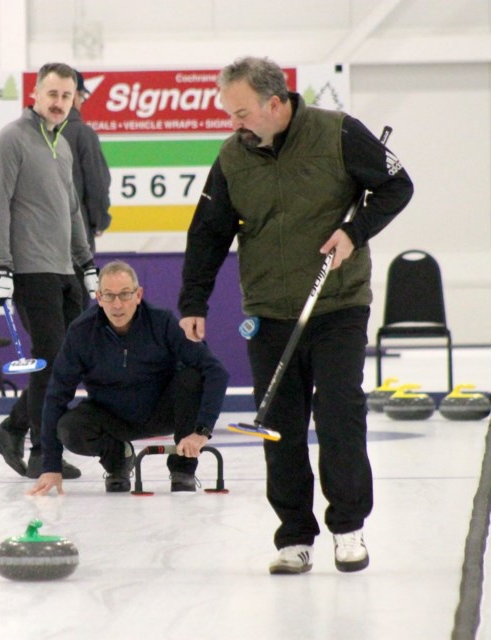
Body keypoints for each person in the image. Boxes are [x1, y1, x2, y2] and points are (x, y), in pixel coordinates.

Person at [178, 56, 413, 575]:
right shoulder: (233, 156)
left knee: (338, 415)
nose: (233, 124)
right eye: (229, 114)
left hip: (337, 303)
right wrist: (194, 300)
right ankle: (293, 537)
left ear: (276, 104)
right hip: (268, 310)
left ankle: (348, 527)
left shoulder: (339, 133)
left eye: (241, 113)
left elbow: (399, 185)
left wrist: (356, 232)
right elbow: (209, 231)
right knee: (278, 426)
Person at [0, 62, 97, 480]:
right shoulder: (13, 139)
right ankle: (46, 454)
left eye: (67, 95)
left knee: (67, 363)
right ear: (36, 95)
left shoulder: (62, 145)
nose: (59, 102)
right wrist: (3, 266)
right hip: (31, 271)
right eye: (53, 94)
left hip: (65, 270)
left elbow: (72, 210)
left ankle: (12, 429)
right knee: (49, 361)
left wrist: (87, 263)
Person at [26, 261, 229, 496]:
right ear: (99, 297)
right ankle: (118, 461)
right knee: (70, 428)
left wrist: (201, 431)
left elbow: (216, 371)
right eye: (110, 296)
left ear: (138, 294)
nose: (118, 304)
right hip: (112, 418)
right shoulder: (81, 332)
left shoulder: (162, 322)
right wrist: (51, 467)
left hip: (163, 411)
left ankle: (183, 469)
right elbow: (56, 396)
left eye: (125, 294)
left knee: (192, 377)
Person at [60, 70, 112, 256]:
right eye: (82, 96)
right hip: (75, 239)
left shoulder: (28, 134)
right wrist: (100, 221)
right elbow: (96, 184)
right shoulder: (82, 134)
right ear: (73, 95)